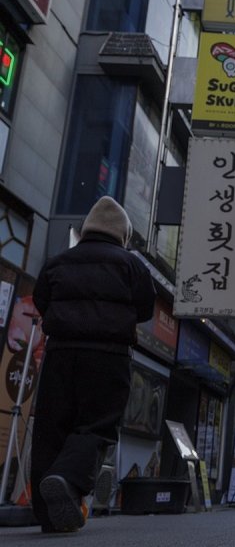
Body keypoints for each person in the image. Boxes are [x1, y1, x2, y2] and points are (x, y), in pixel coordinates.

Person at [30, 196, 155, 533]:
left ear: (87, 229)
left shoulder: (59, 262)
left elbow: (42, 298)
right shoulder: (132, 266)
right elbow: (145, 309)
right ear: (123, 235)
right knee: (96, 425)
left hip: (59, 353)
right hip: (108, 355)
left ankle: (47, 514)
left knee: (50, 429)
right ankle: (67, 480)